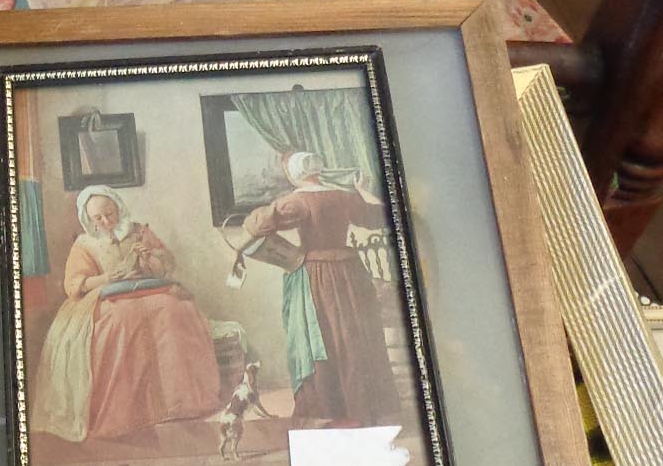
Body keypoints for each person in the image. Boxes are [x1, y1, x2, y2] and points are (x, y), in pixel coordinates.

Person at [31, 184, 220, 443]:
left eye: (110, 213)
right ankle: (126, 413)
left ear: (118, 207)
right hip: (105, 297)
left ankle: (180, 403)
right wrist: (107, 278)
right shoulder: (85, 244)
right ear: (90, 220)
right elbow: (75, 285)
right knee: (120, 321)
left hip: (148, 289)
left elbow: (166, 266)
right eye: (99, 218)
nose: (107, 221)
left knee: (175, 309)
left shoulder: (139, 232)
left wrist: (149, 258)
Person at [237, 149, 401, 426]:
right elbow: (380, 216)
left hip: (319, 275)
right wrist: (361, 190)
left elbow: (256, 225)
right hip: (351, 271)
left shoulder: (297, 202)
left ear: (296, 173)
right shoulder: (343, 196)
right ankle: (365, 408)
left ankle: (329, 410)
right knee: (353, 336)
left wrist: (282, 200)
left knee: (322, 338)